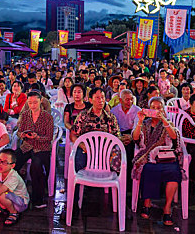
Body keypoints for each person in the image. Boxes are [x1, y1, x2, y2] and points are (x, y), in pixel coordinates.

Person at [132, 96, 183, 226]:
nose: (155, 110)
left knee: (174, 172)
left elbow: (173, 136)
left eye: (158, 108)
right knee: (148, 169)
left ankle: (167, 207)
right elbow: (136, 138)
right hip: (150, 157)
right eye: (153, 108)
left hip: (166, 156)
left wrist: (164, 120)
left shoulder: (167, 122)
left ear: (163, 109)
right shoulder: (145, 123)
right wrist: (140, 121)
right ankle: (147, 203)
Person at [15, 91, 54, 208]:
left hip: (42, 147)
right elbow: (19, 131)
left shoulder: (47, 116)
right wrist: (22, 135)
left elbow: (49, 137)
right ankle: (15, 191)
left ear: (41, 101)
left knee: (36, 166)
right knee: (12, 160)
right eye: (30, 103)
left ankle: (38, 198)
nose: (32, 105)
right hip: (27, 145)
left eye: (35, 102)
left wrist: (38, 137)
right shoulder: (26, 115)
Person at [71, 87, 122, 172]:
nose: (101, 100)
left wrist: (107, 148)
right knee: (79, 162)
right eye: (97, 98)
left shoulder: (110, 117)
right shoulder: (83, 116)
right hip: (87, 148)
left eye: (102, 97)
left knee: (117, 162)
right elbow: (73, 134)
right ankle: (80, 184)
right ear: (91, 100)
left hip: (106, 150)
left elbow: (117, 136)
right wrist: (83, 146)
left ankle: (109, 183)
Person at [0, 149, 29, 226]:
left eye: (5, 162)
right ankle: (3, 207)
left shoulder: (14, 177)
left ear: (12, 166)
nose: (0, 165)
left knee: (1, 194)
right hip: (10, 197)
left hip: (20, 203)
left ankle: (14, 213)